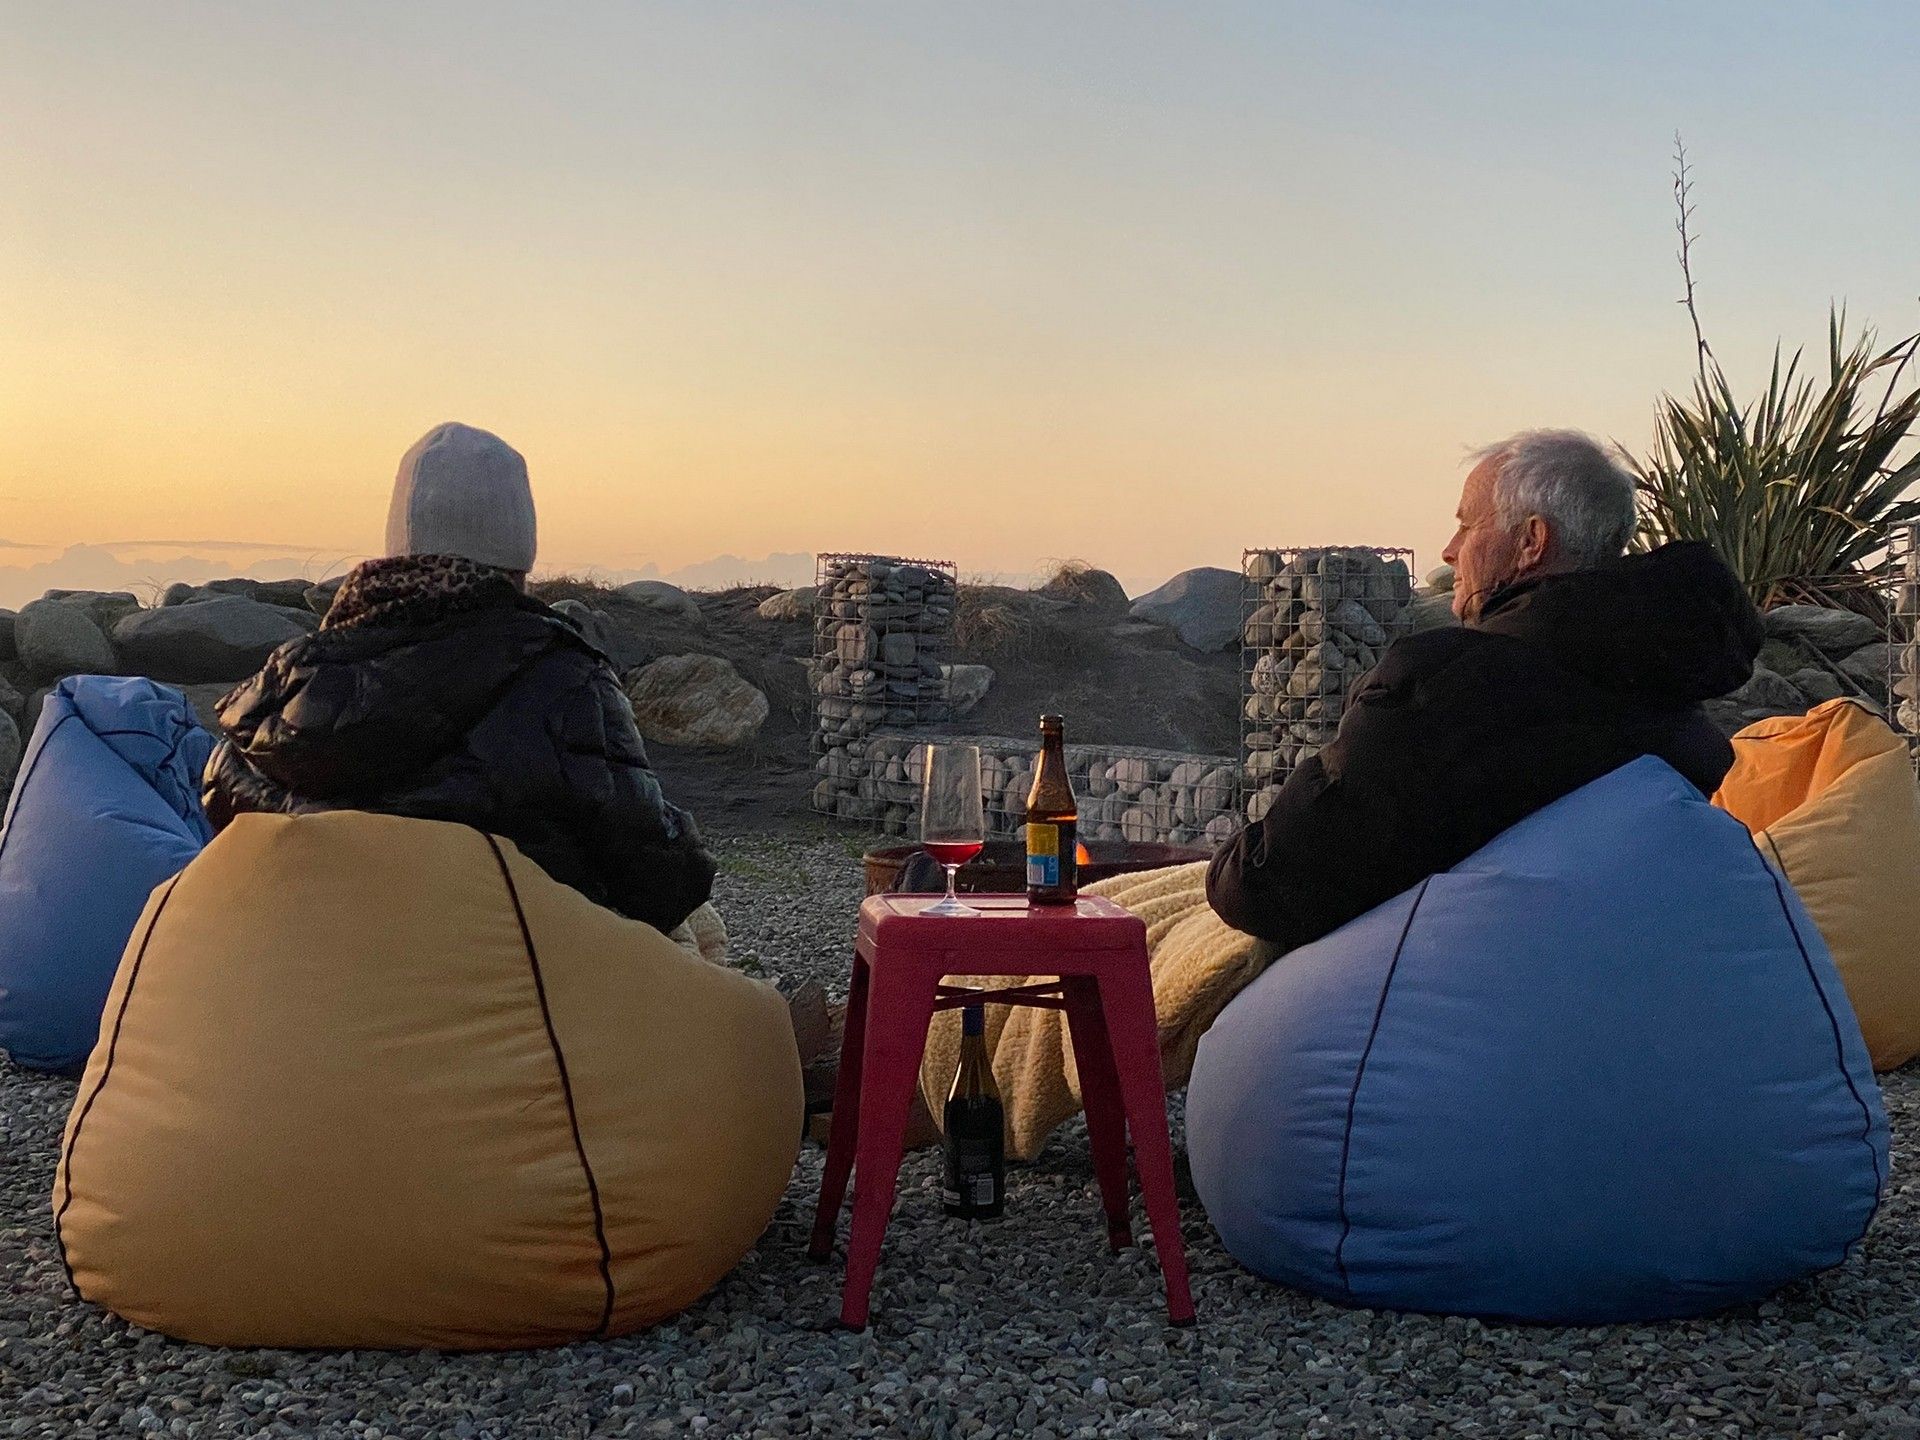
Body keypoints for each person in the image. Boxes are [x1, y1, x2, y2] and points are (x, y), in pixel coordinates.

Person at [1208, 428, 1765, 948]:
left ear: (1531, 541)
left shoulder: (1444, 688)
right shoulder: (1679, 704)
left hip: (1485, 996)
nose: (1449, 550)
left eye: (1467, 525)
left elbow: (1268, 885)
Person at [205, 421, 716, 935]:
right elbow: (660, 883)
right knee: (699, 933)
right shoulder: (563, 678)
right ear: (518, 557)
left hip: (315, 966)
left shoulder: (279, 693)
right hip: (507, 973)